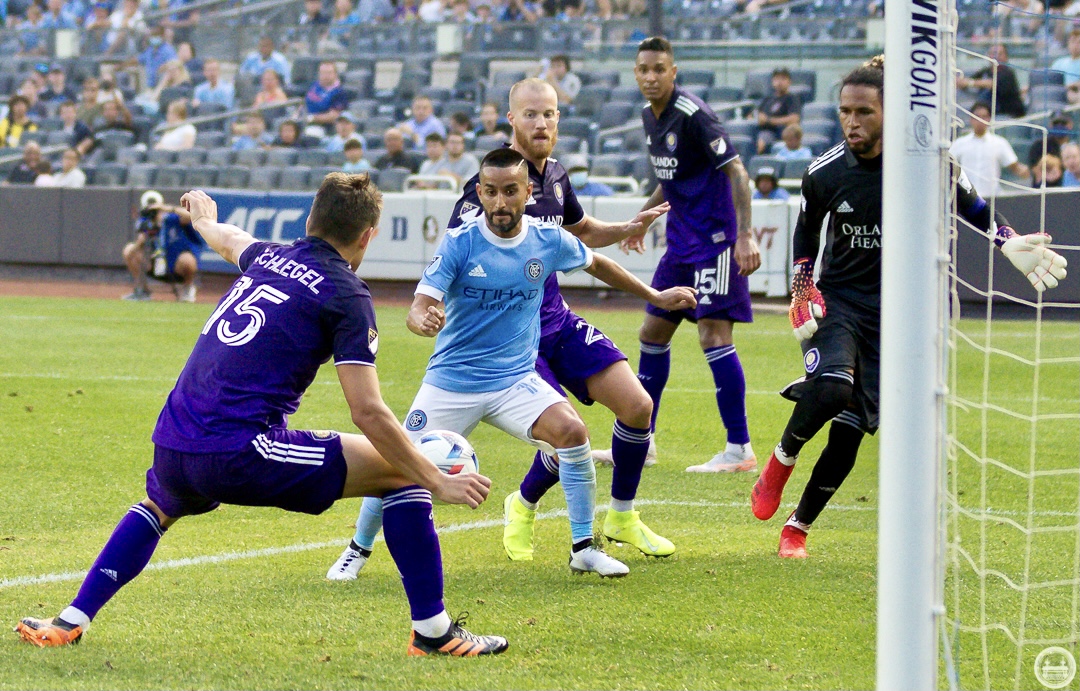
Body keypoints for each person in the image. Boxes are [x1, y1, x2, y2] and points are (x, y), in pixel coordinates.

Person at [16, 176, 508, 657]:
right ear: (367, 236)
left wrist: (205, 220)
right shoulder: (347, 294)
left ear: (310, 219)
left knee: (161, 505)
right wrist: (434, 479)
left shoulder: (271, 255)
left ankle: (69, 622)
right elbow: (369, 413)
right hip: (237, 451)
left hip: (172, 440)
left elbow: (231, 240)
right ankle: (434, 633)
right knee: (404, 474)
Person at [329, 79, 680, 579]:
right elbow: (420, 301)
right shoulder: (461, 239)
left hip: (516, 377)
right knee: (398, 459)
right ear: (480, 192)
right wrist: (420, 318)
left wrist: (653, 295)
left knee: (573, 432)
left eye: (510, 192)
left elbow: (596, 262)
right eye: (492, 192)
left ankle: (585, 547)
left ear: (527, 193)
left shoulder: (545, 232)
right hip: (453, 380)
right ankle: (356, 551)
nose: (501, 201)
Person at [749, 56, 1067, 559]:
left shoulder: (928, 163)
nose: (852, 122)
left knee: (851, 433)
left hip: (900, 311)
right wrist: (801, 284)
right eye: (844, 112)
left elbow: (974, 207)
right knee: (832, 390)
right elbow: (806, 230)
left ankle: (798, 528)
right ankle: (779, 462)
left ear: (890, 112)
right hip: (842, 302)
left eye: (864, 112)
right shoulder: (825, 172)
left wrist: (1007, 241)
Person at [595, 36, 762, 473]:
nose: (650, 76)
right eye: (643, 69)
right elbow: (671, 176)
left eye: (659, 69)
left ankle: (739, 449)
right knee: (652, 332)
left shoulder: (694, 115)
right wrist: (646, 216)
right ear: (636, 73)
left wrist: (744, 235)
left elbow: (738, 172)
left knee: (713, 335)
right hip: (681, 244)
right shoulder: (651, 118)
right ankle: (640, 443)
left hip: (716, 241)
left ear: (673, 72)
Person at [121, 196, 204, 302]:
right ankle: (142, 290)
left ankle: (188, 290)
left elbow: (191, 216)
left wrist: (168, 208)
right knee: (129, 249)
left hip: (175, 262)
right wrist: (140, 241)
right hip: (155, 262)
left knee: (188, 259)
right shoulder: (146, 222)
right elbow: (140, 242)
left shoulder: (172, 219)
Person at [949, 101, 1028, 198]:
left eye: (984, 117)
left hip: (993, 197)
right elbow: (947, 166)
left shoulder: (1000, 143)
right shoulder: (960, 143)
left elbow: (1015, 167)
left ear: (989, 119)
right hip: (967, 199)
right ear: (971, 119)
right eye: (977, 117)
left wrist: (1025, 172)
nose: (980, 120)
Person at [956, 44, 1025, 119]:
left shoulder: (1008, 73)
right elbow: (967, 80)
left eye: (1000, 54)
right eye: (993, 54)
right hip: (989, 115)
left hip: (1008, 115)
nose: (996, 57)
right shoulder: (985, 71)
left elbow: (991, 83)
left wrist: (970, 83)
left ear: (1006, 57)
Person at [756, 67, 801, 154]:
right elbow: (757, 116)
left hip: (779, 133)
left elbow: (794, 119)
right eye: (776, 79)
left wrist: (768, 120)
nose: (779, 82)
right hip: (760, 131)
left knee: (760, 143)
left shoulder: (791, 98)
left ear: (789, 82)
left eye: (783, 79)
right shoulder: (768, 98)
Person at [306, 61, 349, 129]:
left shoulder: (339, 92)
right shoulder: (314, 85)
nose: (325, 76)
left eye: (329, 73)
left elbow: (334, 116)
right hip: (305, 121)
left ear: (335, 74)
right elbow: (304, 102)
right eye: (323, 73)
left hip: (322, 127)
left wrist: (313, 118)